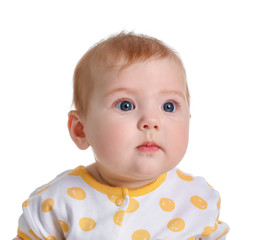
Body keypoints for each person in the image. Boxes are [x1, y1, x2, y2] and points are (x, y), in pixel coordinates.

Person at [15, 32, 229, 240]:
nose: (151, 121)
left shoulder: (196, 200)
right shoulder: (57, 202)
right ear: (81, 130)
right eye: (125, 105)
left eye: (169, 106)